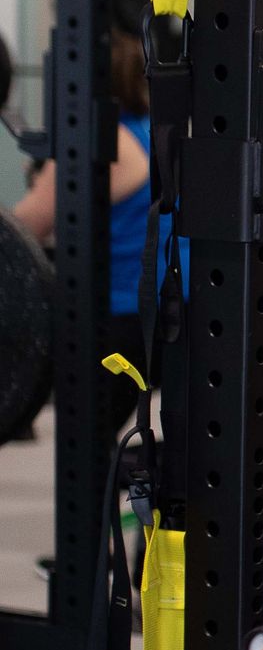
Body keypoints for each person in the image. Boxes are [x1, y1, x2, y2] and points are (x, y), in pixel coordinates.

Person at [11, 23, 182, 429]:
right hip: (170, 311)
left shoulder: (102, 143)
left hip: (122, 322)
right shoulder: (146, 131)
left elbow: (23, 230)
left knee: (88, 447)